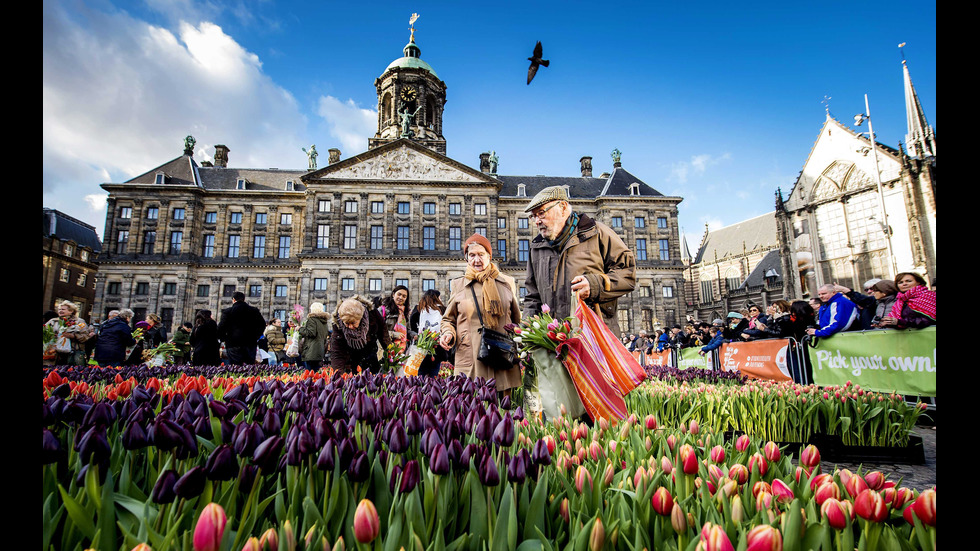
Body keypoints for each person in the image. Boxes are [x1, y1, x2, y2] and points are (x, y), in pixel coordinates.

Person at [522, 185, 636, 337]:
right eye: (533, 216)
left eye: (541, 213)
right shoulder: (536, 248)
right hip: (554, 342)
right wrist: (528, 333)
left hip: (595, 338)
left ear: (562, 207)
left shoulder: (597, 233)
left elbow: (627, 274)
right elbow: (533, 297)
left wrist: (594, 285)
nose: (537, 221)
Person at [439, 234, 522, 396]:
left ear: (489, 257)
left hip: (500, 355)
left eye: (481, 255)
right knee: (472, 413)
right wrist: (448, 332)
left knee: (503, 411)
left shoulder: (506, 282)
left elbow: (517, 320)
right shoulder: (458, 285)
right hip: (471, 356)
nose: (477, 260)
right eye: (472, 255)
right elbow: (448, 319)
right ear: (466, 259)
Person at [329, 295, 390, 374]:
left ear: (360, 318)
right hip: (350, 360)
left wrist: (390, 353)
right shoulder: (337, 325)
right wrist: (338, 375)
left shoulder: (372, 314)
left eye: (353, 323)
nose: (350, 327)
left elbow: (383, 332)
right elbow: (337, 352)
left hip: (370, 357)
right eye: (347, 324)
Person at [217, 292, 266, 365]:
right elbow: (262, 324)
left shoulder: (228, 311)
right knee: (249, 367)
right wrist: (256, 336)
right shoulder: (253, 310)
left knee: (235, 368)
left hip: (233, 343)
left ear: (233, 300)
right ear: (244, 299)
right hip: (250, 343)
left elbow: (221, 327)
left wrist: (224, 338)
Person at [410, 289, 448, 377]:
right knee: (433, 376)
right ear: (436, 298)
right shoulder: (442, 309)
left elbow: (412, 326)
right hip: (437, 349)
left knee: (420, 375)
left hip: (420, 348)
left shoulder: (418, 309)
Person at [44, 300, 91, 365]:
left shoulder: (79, 322)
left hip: (73, 352)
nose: (60, 311)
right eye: (59, 309)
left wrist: (73, 336)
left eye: (63, 309)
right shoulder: (53, 321)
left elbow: (86, 336)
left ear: (71, 311)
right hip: (54, 354)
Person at [381, 285, 415, 355]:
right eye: (399, 294)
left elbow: (407, 330)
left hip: (401, 351)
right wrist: (394, 334)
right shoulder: (382, 310)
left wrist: (414, 335)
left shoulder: (404, 313)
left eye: (404, 296)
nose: (401, 298)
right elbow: (377, 332)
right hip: (385, 350)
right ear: (393, 294)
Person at [298, 302, 331, 370]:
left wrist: (300, 329)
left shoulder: (312, 319)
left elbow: (311, 333)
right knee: (316, 373)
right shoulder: (324, 321)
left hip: (311, 350)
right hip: (320, 350)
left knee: (310, 374)